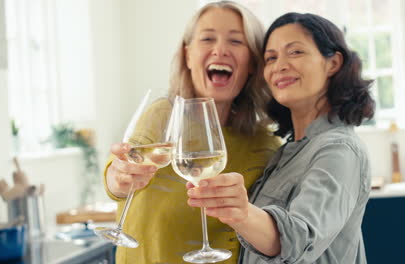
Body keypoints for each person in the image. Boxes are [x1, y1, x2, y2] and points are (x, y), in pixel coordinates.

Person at [186, 12, 375, 264]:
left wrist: (242, 213)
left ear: (333, 63)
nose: (279, 66)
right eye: (270, 58)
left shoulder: (339, 149)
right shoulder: (284, 153)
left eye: (295, 52)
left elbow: (299, 237)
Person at [103, 1, 281, 263]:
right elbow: (120, 172)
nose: (220, 50)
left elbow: (275, 234)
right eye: (207, 38)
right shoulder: (163, 114)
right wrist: (117, 178)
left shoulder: (265, 144)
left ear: (253, 61)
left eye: (236, 41)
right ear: (188, 55)